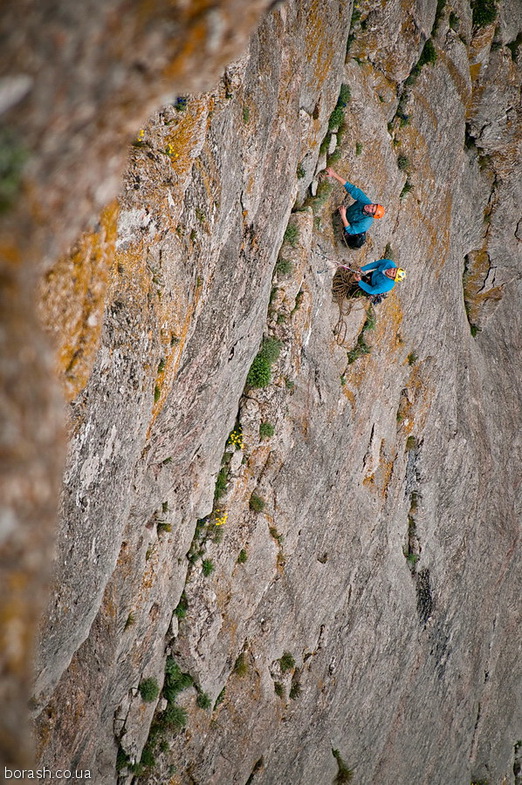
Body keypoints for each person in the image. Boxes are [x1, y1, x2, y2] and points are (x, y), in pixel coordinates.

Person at [325, 167, 385, 244]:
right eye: (373, 205)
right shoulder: (366, 202)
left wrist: (343, 216)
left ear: (370, 214)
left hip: (352, 225)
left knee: (355, 242)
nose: (370, 206)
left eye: (372, 210)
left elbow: (350, 230)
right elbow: (352, 189)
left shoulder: (365, 223)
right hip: (349, 215)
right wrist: (334, 174)